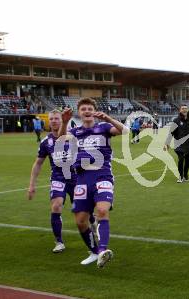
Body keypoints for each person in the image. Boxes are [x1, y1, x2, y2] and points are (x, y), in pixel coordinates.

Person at [59, 98, 127, 267]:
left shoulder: (103, 128)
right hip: (81, 180)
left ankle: (103, 249)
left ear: (94, 111)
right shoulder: (75, 132)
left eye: (90, 108)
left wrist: (108, 119)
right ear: (79, 113)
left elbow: (124, 131)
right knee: (80, 221)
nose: (87, 111)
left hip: (102, 176)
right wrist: (65, 121)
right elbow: (61, 138)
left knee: (102, 210)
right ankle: (95, 252)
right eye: (83, 109)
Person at [28, 110, 97, 253]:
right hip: (58, 178)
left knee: (84, 212)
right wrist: (32, 185)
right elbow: (38, 163)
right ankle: (59, 241)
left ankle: (93, 222)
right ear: (49, 121)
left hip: (77, 178)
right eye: (51, 119)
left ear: (62, 120)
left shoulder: (74, 137)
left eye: (56, 118)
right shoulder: (46, 142)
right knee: (56, 206)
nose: (54, 121)